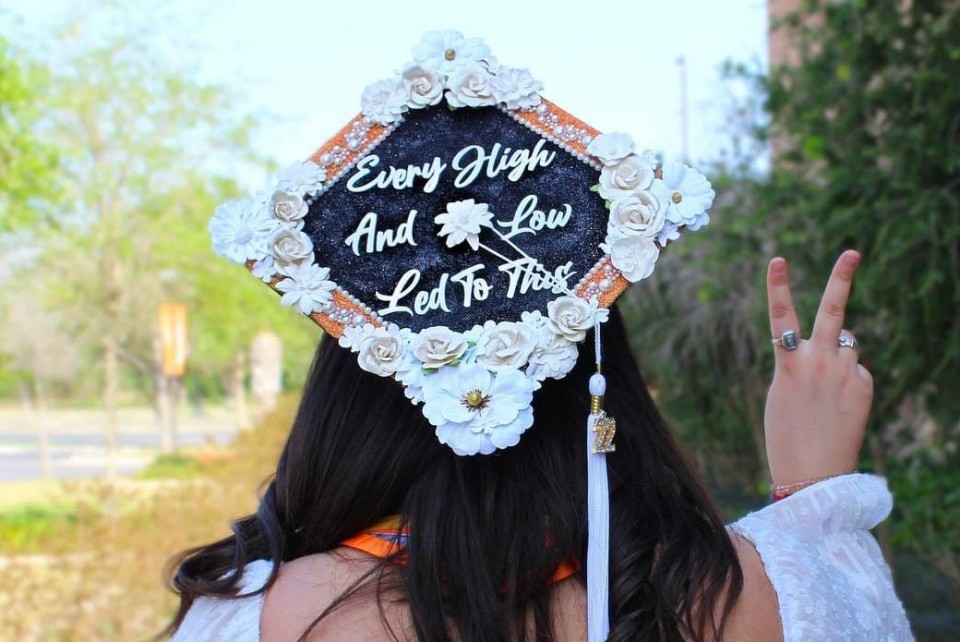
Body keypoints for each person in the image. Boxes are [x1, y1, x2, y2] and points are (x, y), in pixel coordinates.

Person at [164, 251, 913, 641]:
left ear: (347, 399)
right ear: (601, 381)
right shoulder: (764, 592)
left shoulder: (253, 616)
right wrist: (814, 499)